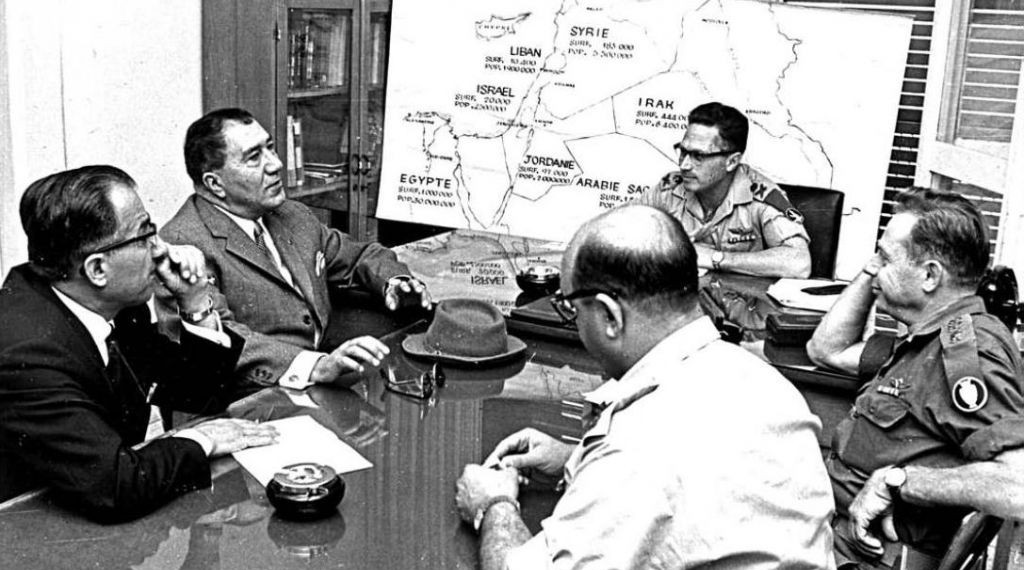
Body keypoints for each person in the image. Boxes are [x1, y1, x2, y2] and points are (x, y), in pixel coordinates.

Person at [455, 205, 835, 569]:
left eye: (572, 309)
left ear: (610, 316)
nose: (574, 321)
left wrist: (494, 503)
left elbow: (651, 467)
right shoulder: (768, 384)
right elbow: (702, 483)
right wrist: (576, 459)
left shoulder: (637, 452)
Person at [0, 165, 277, 522]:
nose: (161, 250)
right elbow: (115, 485)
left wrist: (194, 301)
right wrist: (203, 440)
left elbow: (194, 393)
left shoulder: (115, 306)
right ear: (97, 270)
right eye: (145, 235)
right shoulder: (26, 352)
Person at [806, 188, 1024, 569]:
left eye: (885, 258)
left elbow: (1019, 485)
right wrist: (876, 269)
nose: (873, 267)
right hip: (830, 531)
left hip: (856, 556)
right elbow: (827, 349)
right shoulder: (925, 340)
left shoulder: (965, 353)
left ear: (929, 275)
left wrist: (899, 482)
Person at [160, 108, 431, 400]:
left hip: (318, 377)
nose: (276, 164)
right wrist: (317, 366)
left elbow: (357, 255)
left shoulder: (291, 214)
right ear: (215, 184)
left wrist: (394, 282)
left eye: (270, 148)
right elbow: (221, 337)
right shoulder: (182, 243)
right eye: (254, 157)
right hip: (253, 396)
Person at [636, 101, 811, 278]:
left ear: (732, 162)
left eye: (698, 156)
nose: (684, 165)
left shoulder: (762, 196)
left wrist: (716, 258)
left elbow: (799, 263)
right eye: (683, 152)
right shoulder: (669, 189)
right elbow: (619, 231)